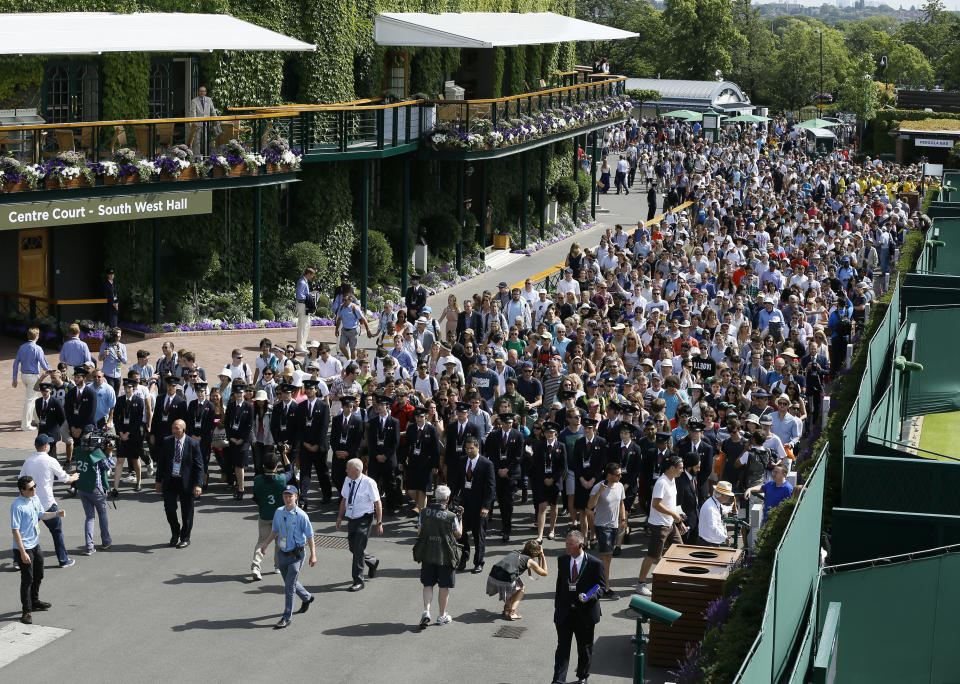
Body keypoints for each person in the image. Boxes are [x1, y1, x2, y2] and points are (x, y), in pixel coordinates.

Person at [259, 485, 317, 629]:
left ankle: (286, 617)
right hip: (282, 554)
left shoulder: (302, 515)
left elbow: (310, 536)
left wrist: (313, 555)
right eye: (285, 495)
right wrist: (266, 544)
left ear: (296, 497)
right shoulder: (279, 512)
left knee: (289, 587)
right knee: (289, 583)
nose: (287, 498)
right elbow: (274, 531)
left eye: (290, 496)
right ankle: (307, 597)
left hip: (296, 555)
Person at [552, 529, 605, 684]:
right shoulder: (562, 560)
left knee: (585, 649)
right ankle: (558, 680)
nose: (566, 547)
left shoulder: (595, 564)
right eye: (566, 543)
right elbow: (560, 586)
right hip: (565, 613)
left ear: (580, 545)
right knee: (562, 649)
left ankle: (582, 676)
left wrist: (590, 597)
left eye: (570, 544)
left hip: (585, 614)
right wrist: (557, 608)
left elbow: (601, 587)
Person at [11, 475, 65, 624]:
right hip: (24, 548)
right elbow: (15, 530)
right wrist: (22, 552)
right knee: (27, 579)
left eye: (35, 486)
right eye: (30, 488)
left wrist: (56, 514)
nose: (34, 489)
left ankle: (35, 601)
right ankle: (26, 611)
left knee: (39, 574)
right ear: (22, 490)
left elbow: (41, 514)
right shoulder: (17, 506)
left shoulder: (34, 499)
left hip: (35, 545)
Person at [19, 434, 78, 568]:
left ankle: (18, 561)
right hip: (47, 504)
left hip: (31, 504)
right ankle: (63, 560)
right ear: (45, 446)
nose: (50, 446)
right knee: (57, 532)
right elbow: (65, 479)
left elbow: (20, 479)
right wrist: (74, 477)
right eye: (49, 444)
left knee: (24, 532)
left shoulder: (28, 461)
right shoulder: (51, 461)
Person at [636, 455, 687, 597]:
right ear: (672, 468)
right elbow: (656, 504)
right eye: (680, 468)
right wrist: (674, 515)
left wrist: (679, 521)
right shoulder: (662, 482)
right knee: (653, 555)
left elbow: (671, 503)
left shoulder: (673, 480)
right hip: (659, 525)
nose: (682, 470)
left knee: (679, 550)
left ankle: (672, 578)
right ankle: (640, 584)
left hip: (670, 523)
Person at [412, 484, 462, 627]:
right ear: (447, 499)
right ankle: (441, 616)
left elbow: (419, 532)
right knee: (444, 586)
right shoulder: (451, 516)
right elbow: (458, 534)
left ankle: (426, 611)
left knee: (427, 584)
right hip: (446, 555)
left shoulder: (424, 512)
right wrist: (461, 518)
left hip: (427, 552)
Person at [449, 433, 495, 574]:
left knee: (478, 535)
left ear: (477, 448)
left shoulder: (487, 464)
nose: (468, 451)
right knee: (461, 534)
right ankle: (463, 558)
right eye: (466, 448)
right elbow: (457, 481)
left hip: (480, 505)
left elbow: (491, 487)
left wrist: (486, 506)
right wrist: (450, 497)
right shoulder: (462, 461)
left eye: (471, 448)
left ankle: (479, 562)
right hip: (464, 504)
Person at [336, 458, 383, 592]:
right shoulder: (347, 480)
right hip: (352, 518)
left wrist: (379, 522)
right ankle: (372, 561)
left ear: (356, 470)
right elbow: (344, 499)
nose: (345, 470)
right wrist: (339, 517)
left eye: (348, 468)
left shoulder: (369, 483)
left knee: (357, 550)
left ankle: (358, 580)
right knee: (353, 547)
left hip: (365, 519)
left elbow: (378, 503)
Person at [155, 419, 203, 549]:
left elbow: (199, 466)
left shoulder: (193, 444)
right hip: (170, 481)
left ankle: (185, 537)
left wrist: (198, 484)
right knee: (170, 509)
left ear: (183, 429)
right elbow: (161, 463)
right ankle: (175, 532)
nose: (174, 431)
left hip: (186, 482)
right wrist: (158, 480)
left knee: (187, 511)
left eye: (177, 428)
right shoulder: (167, 442)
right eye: (173, 428)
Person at [251, 447, 293, 581]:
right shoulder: (281, 479)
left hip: (264, 514)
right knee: (280, 541)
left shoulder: (257, 479)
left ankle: (256, 566)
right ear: (276, 465)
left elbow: (256, 498)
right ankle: (277, 566)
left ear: (263, 466)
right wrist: (284, 454)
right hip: (280, 516)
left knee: (262, 541)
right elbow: (290, 471)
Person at [587, 462, 627, 599]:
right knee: (606, 558)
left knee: (606, 558)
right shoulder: (599, 486)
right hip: (603, 526)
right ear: (609, 476)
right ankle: (605, 588)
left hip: (615, 526)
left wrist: (623, 520)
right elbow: (590, 505)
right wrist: (599, 492)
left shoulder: (620, 486)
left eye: (621, 474)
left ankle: (598, 583)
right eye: (618, 474)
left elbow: (622, 503)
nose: (621, 476)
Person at [73, 428, 115, 555]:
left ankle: (89, 547)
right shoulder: (96, 453)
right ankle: (106, 541)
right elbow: (108, 466)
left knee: (90, 517)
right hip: (95, 488)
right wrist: (109, 451)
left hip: (81, 488)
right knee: (102, 514)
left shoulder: (78, 450)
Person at [484, 412, 524, 543]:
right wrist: (498, 469)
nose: (508, 425)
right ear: (501, 423)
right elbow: (489, 454)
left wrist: (507, 469)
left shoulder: (518, 435)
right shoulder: (494, 436)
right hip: (497, 472)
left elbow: (519, 456)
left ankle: (507, 529)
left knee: (508, 501)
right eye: (506, 423)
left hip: (511, 474)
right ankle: (503, 524)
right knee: (501, 500)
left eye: (510, 423)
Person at [486, 539, 548, 620]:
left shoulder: (515, 552)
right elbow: (545, 573)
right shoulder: (529, 561)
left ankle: (506, 610)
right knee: (521, 589)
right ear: (536, 553)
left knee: (518, 585)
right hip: (505, 580)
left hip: (493, 576)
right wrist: (543, 556)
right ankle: (512, 612)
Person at [297, 378, 331, 510]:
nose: (309, 391)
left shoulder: (323, 406)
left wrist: (316, 444)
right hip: (305, 446)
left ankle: (327, 495)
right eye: (307, 388)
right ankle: (303, 497)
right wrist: (305, 443)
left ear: (316, 390)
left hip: (319, 446)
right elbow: (299, 427)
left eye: (312, 389)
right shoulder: (301, 406)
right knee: (305, 472)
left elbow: (324, 428)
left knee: (322, 472)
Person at [404, 406, 442, 513]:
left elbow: (436, 449)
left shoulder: (431, 429)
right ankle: (422, 507)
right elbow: (406, 445)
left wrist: (435, 465)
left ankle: (422, 515)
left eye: (421, 416)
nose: (419, 419)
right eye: (417, 416)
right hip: (413, 462)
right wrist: (403, 460)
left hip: (426, 464)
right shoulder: (411, 428)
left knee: (422, 490)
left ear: (425, 417)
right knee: (411, 490)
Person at [13, 327, 50, 431]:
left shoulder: (22, 347)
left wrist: (14, 378)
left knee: (33, 397)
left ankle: (37, 420)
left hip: (24, 376)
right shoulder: (38, 348)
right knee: (30, 400)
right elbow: (43, 363)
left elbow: (16, 363)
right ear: (37, 336)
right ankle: (25, 425)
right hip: (33, 377)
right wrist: (51, 372)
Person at [114, 377, 146, 493]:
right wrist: (120, 432)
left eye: (129, 388)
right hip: (122, 434)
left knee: (135, 459)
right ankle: (115, 488)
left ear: (133, 388)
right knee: (120, 460)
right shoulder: (120, 400)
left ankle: (139, 481)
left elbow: (138, 420)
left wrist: (128, 433)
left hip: (134, 434)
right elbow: (116, 418)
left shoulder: (139, 401)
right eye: (126, 387)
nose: (127, 390)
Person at [224, 383, 254, 500]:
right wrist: (230, 437)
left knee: (239, 464)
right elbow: (227, 423)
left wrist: (241, 439)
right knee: (235, 463)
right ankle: (238, 485)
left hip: (244, 439)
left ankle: (241, 488)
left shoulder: (249, 406)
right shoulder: (231, 406)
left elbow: (249, 425)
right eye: (236, 393)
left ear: (244, 393)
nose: (239, 395)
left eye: (241, 393)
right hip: (233, 437)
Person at [335, 292, 372, 360]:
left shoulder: (355, 307)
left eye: (345, 300)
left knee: (353, 349)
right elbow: (339, 319)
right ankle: (348, 359)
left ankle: (353, 363)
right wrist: (336, 329)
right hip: (344, 330)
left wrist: (368, 331)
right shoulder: (341, 307)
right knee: (341, 346)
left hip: (353, 330)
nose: (344, 301)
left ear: (350, 300)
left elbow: (363, 319)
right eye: (343, 300)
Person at [698, 480, 736, 546]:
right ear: (721, 495)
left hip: (710, 541)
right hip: (709, 543)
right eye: (727, 496)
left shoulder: (714, 502)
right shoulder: (711, 508)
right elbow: (713, 527)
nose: (728, 498)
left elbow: (722, 509)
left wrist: (731, 507)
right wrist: (725, 538)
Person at [34, 381, 65, 460]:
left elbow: (62, 417)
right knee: (42, 451)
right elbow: (39, 414)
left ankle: (53, 468)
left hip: (53, 431)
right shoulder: (38, 402)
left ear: (50, 390)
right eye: (42, 391)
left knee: (51, 452)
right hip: (42, 430)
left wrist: (56, 428)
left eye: (46, 391)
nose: (44, 393)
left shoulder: (56, 402)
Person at [188, 85, 221, 153]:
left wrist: (216, 120)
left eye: (203, 91)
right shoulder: (194, 101)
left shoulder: (209, 100)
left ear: (205, 92)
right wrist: (194, 122)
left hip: (206, 124)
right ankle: (197, 158)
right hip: (198, 124)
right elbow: (193, 112)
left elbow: (212, 111)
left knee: (206, 141)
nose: (202, 92)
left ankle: (206, 156)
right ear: (198, 92)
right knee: (197, 141)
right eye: (200, 91)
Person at [295, 267, 316, 353]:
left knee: (306, 325)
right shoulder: (302, 282)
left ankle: (302, 344)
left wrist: (310, 295)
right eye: (312, 275)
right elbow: (299, 296)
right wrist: (310, 296)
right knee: (303, 326)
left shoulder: (304, 282)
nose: (312, 277)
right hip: (302, 305)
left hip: (305, 305)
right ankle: (299, 346)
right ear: (308, 274)